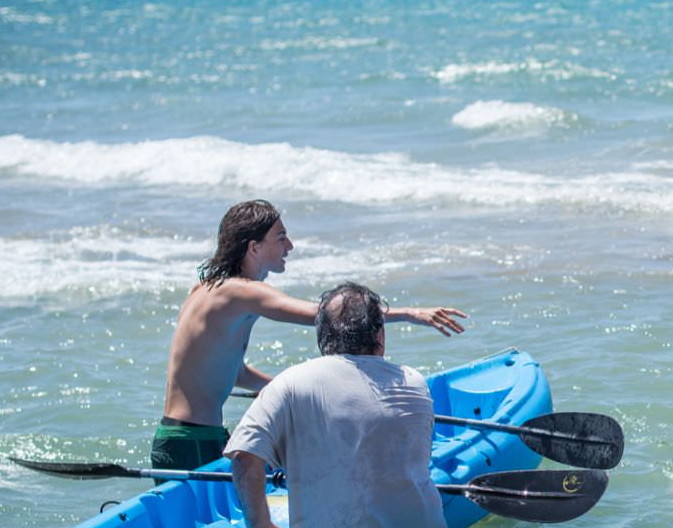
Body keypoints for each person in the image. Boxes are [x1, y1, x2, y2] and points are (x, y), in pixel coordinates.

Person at [153, 200, 465, 469]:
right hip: (193, 441)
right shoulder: (241, 292)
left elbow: (231, 373)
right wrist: (410, 314)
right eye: (281, 238)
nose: (289, 246)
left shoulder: (205, 290)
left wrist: (282, 390)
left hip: (181, 437)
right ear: (254, 247)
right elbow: (330, 314)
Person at [225, 282, 456, 528]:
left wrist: (260, 525)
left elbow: (243, 456)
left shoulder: (290, 383)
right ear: (380, 336)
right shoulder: (413, 381)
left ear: (322, 337)